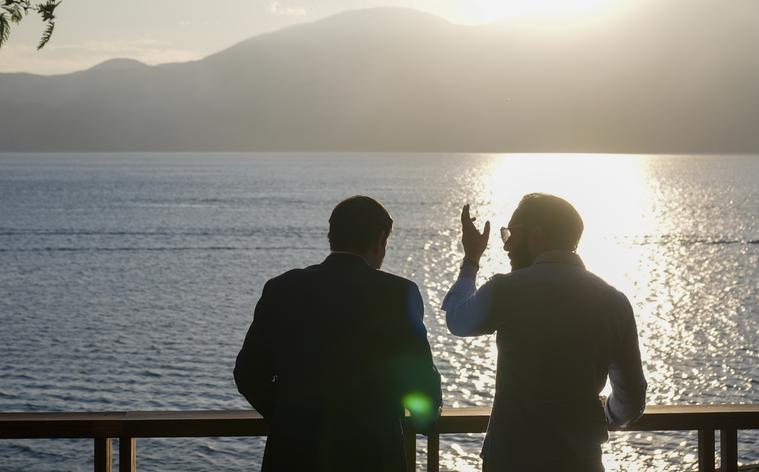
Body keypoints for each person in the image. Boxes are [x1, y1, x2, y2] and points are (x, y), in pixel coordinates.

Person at [234, 195, 441, 472]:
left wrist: (291, 418)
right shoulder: (398, 294)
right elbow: (422, 390)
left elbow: (247, 373)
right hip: (372, 457)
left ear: (331, 235)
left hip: (293, 456)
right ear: (380, 240)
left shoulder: (282, 288)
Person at [442, 194, 647, 472]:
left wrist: (471, 260)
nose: (507, 245)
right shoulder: (613, 301)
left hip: (512, 459)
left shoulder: (508, 290)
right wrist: (608, 415)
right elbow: (632, 397)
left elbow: (458, 321)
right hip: (581, 461)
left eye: (511, 234)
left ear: (537, 236)